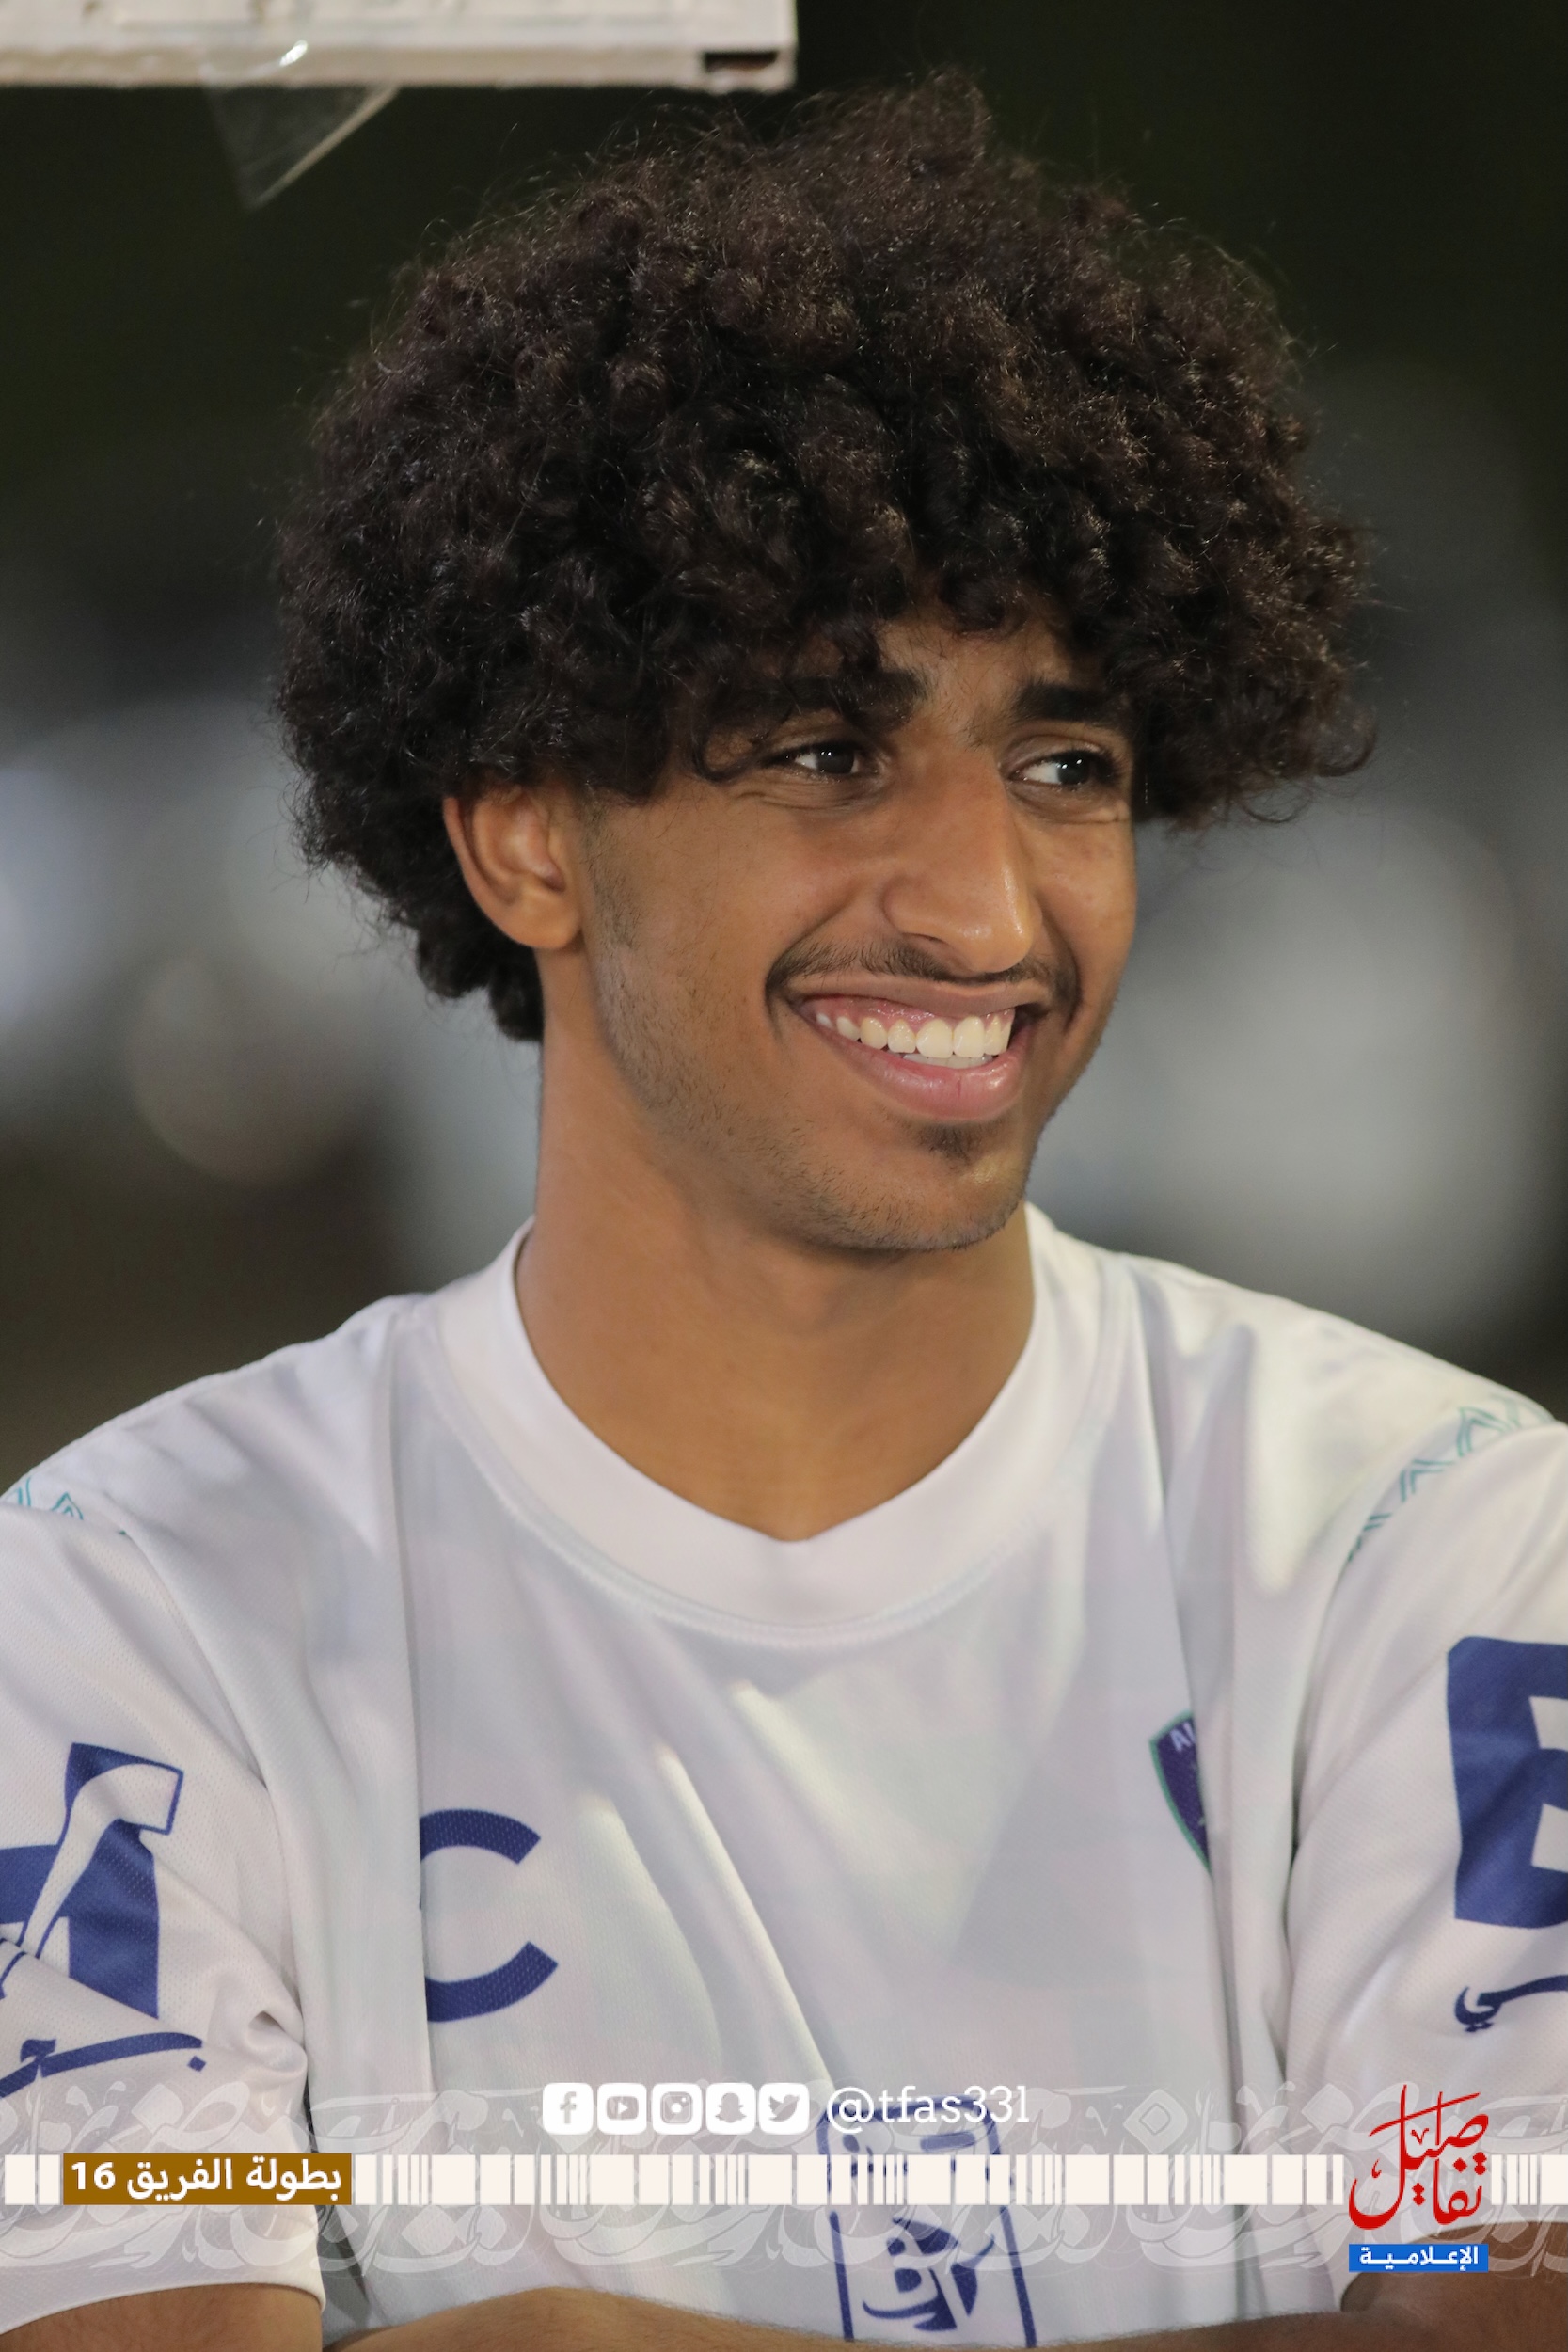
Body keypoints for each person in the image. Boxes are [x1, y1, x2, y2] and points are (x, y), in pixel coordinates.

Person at [1, 76, 1563, 2352]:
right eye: (830, 755)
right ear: (526, 832)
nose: (982, 906)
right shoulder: (134, 1610)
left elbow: (1487, 2292)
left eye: (1065, 765)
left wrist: (576, 2335)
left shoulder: (1425, 1544)